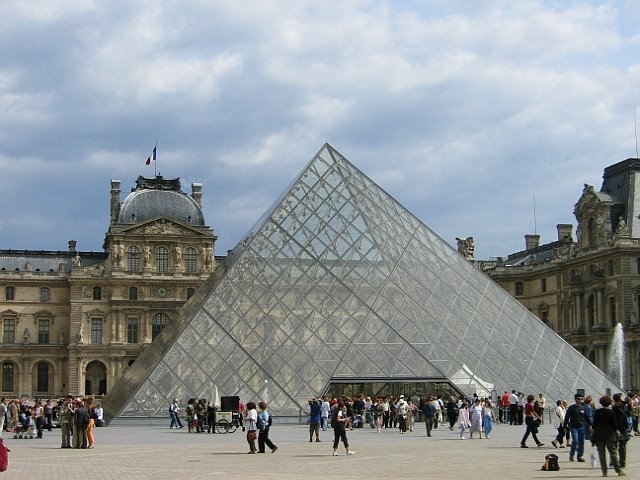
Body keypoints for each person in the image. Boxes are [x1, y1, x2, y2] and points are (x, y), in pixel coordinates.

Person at [591, 395, 625, 477]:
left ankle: (604, 472)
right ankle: (618, 470)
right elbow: (614, 424)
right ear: (609, 403)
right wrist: (618, 431)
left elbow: (594, 424)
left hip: (599, 434)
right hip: (610, 434)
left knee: (601, 455)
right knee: (613, 453)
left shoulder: (597, 412)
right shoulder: (611, 412)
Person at [563, 393, 589, 462]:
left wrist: (591, 425)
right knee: (575, 441)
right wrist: (565, 426)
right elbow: (567, 417)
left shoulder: (584, 408)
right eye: (578, 399)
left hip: (582, 427)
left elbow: (587, 417)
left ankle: (579, 456)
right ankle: (572, 455)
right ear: (575, 399)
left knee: (581, 442)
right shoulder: (571, 408)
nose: (580, 400)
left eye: (581, 399)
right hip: (574, 427)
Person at [612, 393, 630, 468]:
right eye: (620, 400)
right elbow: (613, 420)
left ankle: (622, 462)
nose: (622, 401)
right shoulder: (614, 409)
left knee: (622, 446)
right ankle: (614, 461)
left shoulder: (624, 406)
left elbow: (628, 414)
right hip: (616, 430)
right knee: (614, 447)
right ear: (617, 401)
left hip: (624, 429)